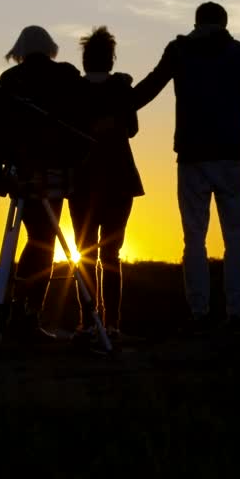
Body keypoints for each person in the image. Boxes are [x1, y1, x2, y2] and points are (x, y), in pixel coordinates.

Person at [132, 1, 240, 334]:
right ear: (224, 23)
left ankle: (199, 311)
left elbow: (150, 88)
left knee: (194, 238)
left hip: (193, 157)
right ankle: (236, 312)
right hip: (231, 156)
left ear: (196, 22)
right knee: (236, 240)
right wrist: (233, 103)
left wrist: (115, 102)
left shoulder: (179, 50)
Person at [0, 25, 90, 343]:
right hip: (57, 171)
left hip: (24, 173)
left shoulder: (11, 81)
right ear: (50, 48)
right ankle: (27, 312)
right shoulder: (68, 75)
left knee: (37, 237)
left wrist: (2, 170)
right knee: (44, 238)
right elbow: (80, 115)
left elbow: (0, 129)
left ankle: (20, 313)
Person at [67, 27, 144, 343]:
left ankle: (88, 322)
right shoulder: (121, 89)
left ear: (85, 60)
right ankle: (112, 323)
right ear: (110, 59)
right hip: (119, 179)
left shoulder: (72, 92)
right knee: (111, 254)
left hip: (82, 181)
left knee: (84, 252)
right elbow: (131, 129)